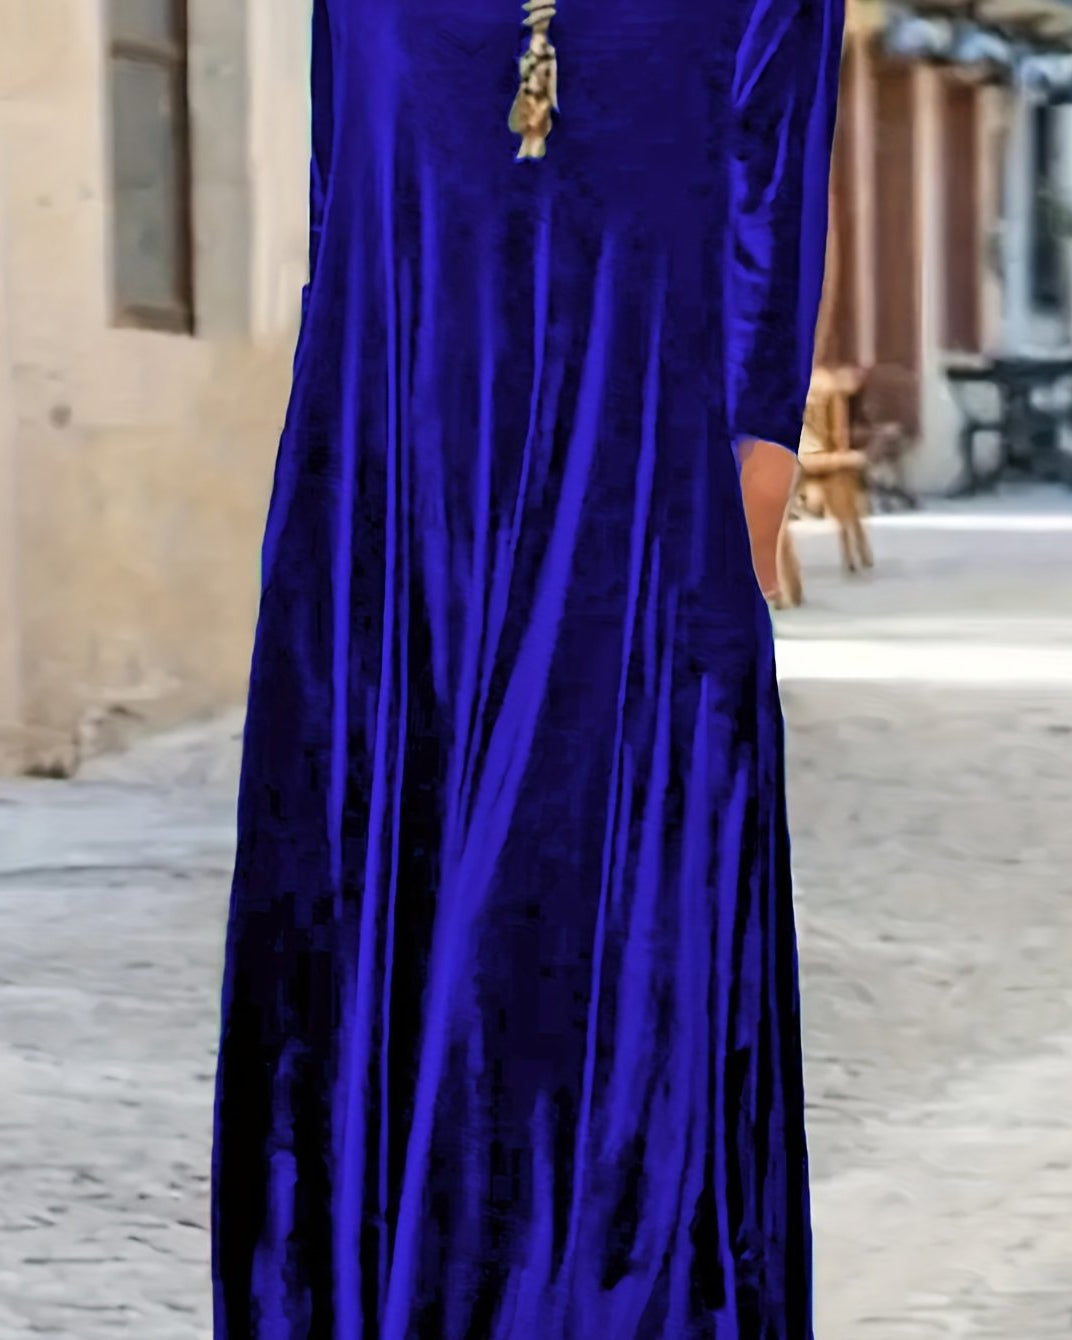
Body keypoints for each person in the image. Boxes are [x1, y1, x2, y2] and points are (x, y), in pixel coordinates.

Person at [212, 0, 842, 1334]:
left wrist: (727, 520)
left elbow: (771, 209)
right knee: (399, 909)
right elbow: (342, 215)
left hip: (639, 496)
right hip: (392, 503)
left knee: (597, 908)